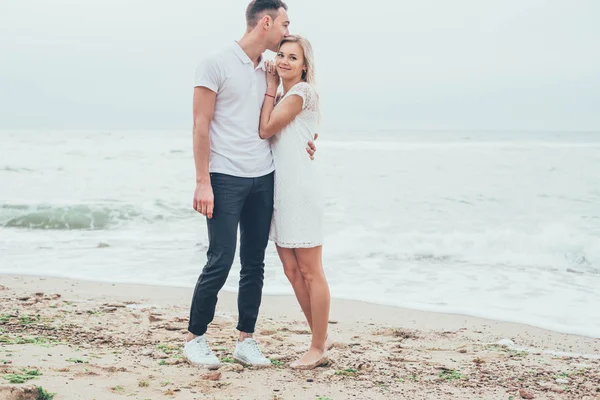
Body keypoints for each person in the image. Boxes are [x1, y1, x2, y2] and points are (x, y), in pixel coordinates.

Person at [183, 0, 316, 368]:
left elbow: (291, 114)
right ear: (267, 22)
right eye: (285, 24)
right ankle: (196, 338)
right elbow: (200, 125)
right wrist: (202, 181)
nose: (288, 32)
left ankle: (246, 339)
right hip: (225, 177)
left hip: (264, 176)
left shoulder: (271, 69)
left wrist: (307, 139)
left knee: (254, 262)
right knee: (220, 258)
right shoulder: (214, 63)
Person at [259, 35, 331, 370]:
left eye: (293, 57)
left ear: (304, 66)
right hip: (279, 191)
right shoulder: (289, 94)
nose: (285, 61)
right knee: (291, 270)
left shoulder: (301, 92)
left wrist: (271, 85)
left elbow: (266, 128)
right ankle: (319, 336)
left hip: (300, 189)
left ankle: (317, 346)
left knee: (310, 270)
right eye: (281, 55)